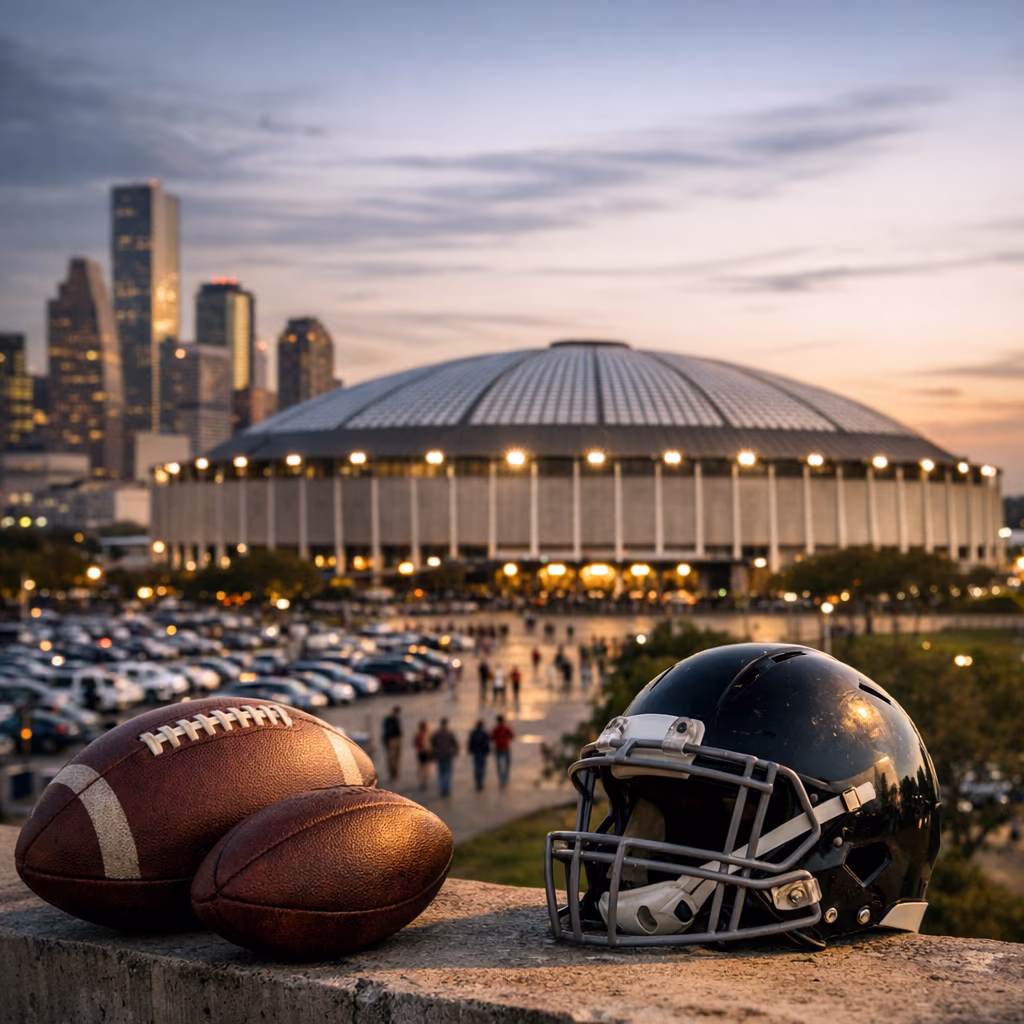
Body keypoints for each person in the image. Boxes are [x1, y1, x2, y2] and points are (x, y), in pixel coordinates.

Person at [430, 717, 459, 797]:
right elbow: (455, 744)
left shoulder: (436, 734)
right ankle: (446, 789)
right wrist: (455, 752)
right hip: (448, 755)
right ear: (446, 724)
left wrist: (435, 751)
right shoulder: (449, 733)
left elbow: (432, 742)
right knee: (448, 773)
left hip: (439, 755)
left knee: (441, 773)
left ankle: (443, 790)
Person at [490, 714, 514, 788]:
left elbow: (491, 738)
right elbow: (512, 736)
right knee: (507, 764)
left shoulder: (495, 729)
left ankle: (501, 779)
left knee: (499, 765)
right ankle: (505, 778)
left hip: (498, 749)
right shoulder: (506, 728)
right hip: (506, 748)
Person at [381, 705, 403, 782]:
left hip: (394, 739)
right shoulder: (392, 720)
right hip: (392, 740)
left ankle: (394, 772)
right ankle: (393, 772)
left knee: (395, 757)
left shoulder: (392, 719)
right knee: (392, 758)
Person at [468, 719, 490, 791]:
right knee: (482, 767)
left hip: (476, 752)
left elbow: (470, 742)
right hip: (482, 752)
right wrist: (487, 751)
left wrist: (470, 750)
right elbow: (487, 743)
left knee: (477, 767)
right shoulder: (484, 733)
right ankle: (481, 781)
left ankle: (478, 781)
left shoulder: (473, 732)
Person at [414, 720, 431, 790]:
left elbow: (414, 743)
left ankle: (421, 780)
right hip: (425, 753)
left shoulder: (418, 735)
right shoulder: (426, 735)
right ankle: (424, 780)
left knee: (421, 767)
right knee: (425, 767)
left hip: (420, 753)